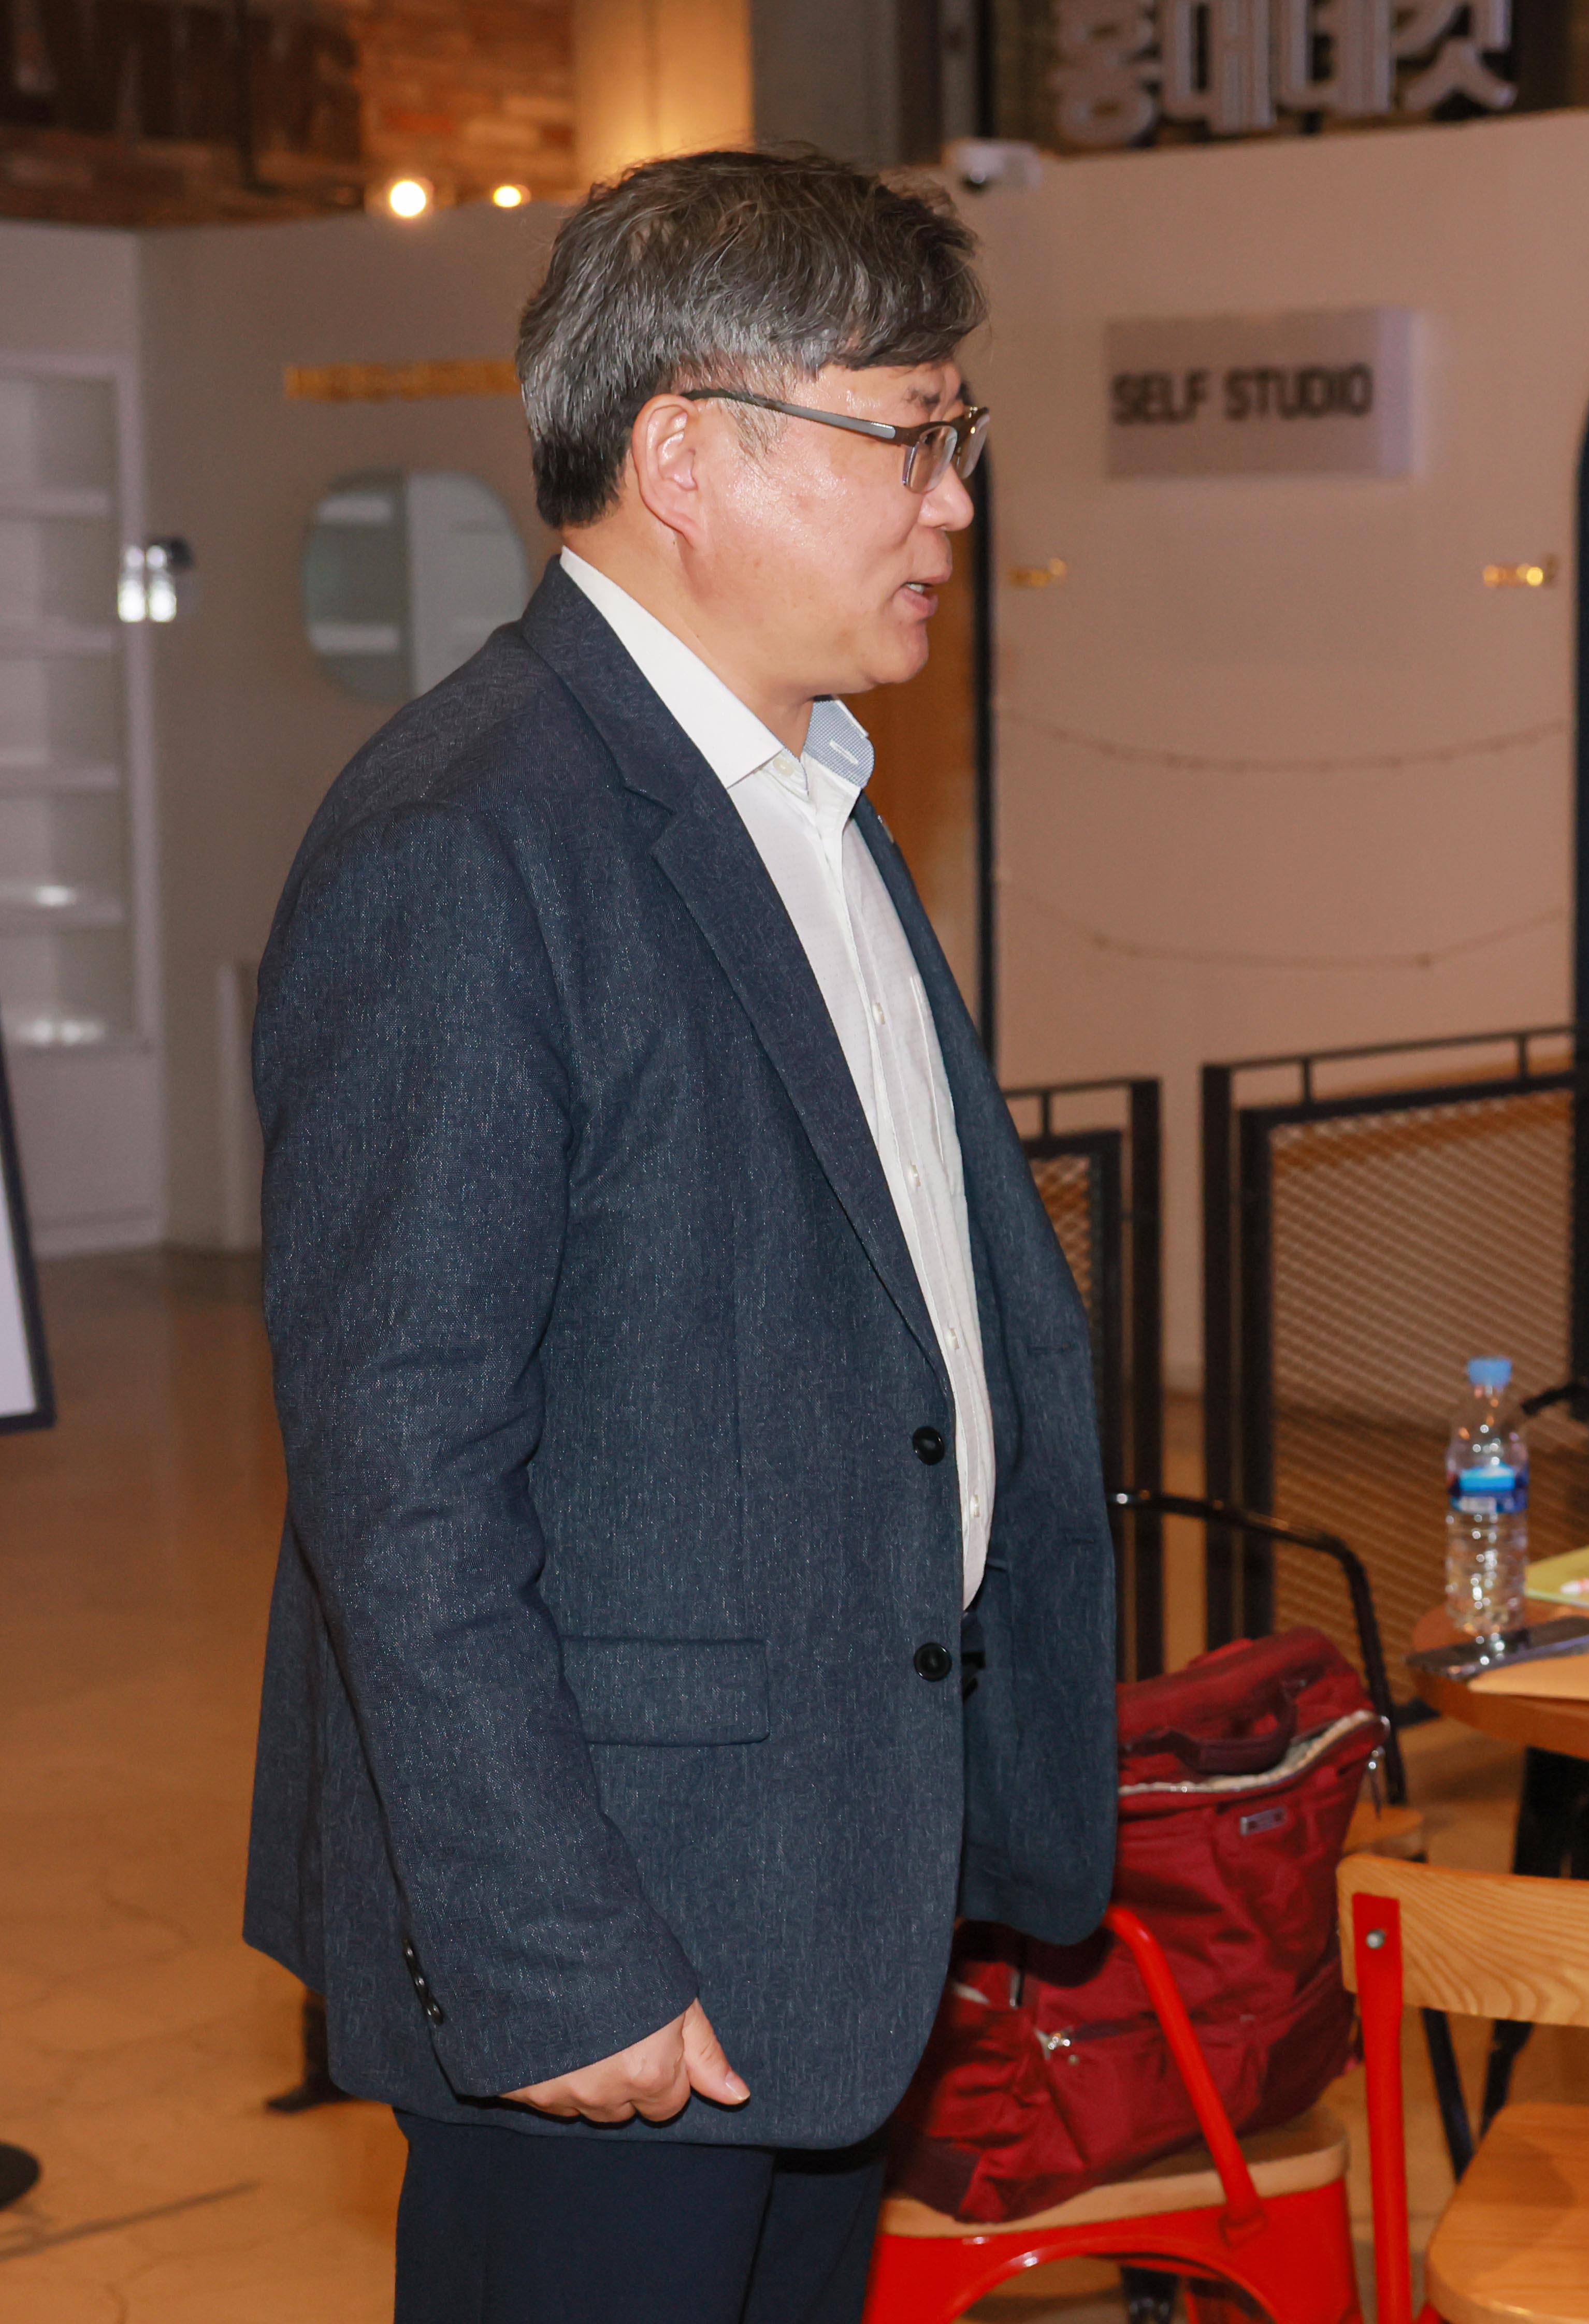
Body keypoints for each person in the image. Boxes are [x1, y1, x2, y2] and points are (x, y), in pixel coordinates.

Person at [243, 148, 1117, 2324]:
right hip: (619, 1949)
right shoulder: (469, 840)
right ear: (685, 456)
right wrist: (554, 1956)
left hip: (816, 1901)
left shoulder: (806, 792)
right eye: (910, 438)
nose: (953, 506)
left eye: (959, 439)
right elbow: (399, 1472)